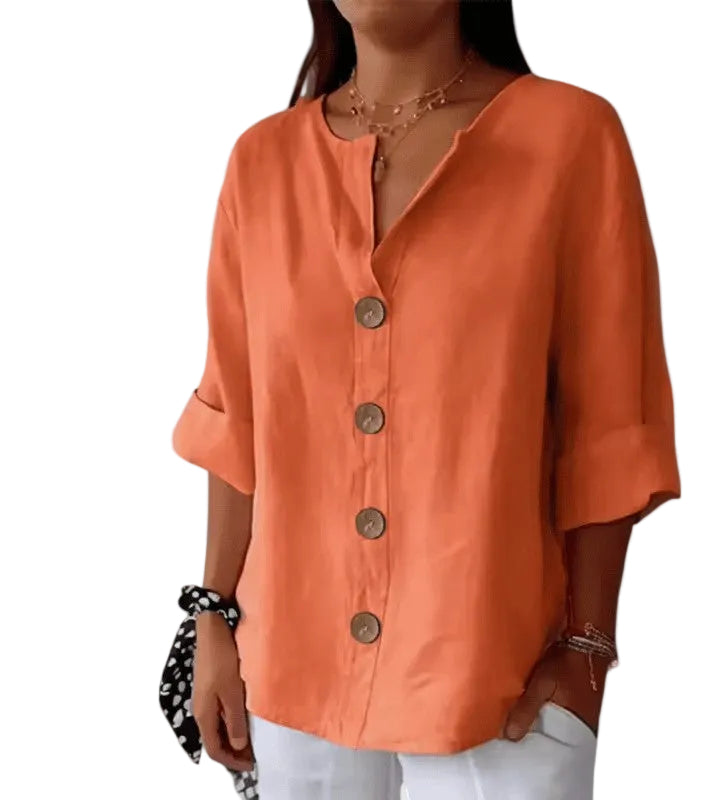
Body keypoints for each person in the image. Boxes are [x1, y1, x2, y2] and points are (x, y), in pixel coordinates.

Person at [167, 1, 681, 797]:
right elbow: (238, 417)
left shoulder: (570, 137)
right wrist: (213, 620)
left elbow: (611, 420)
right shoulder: (261, 162)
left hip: (500, 681)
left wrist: (587, 649)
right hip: (293, 675)